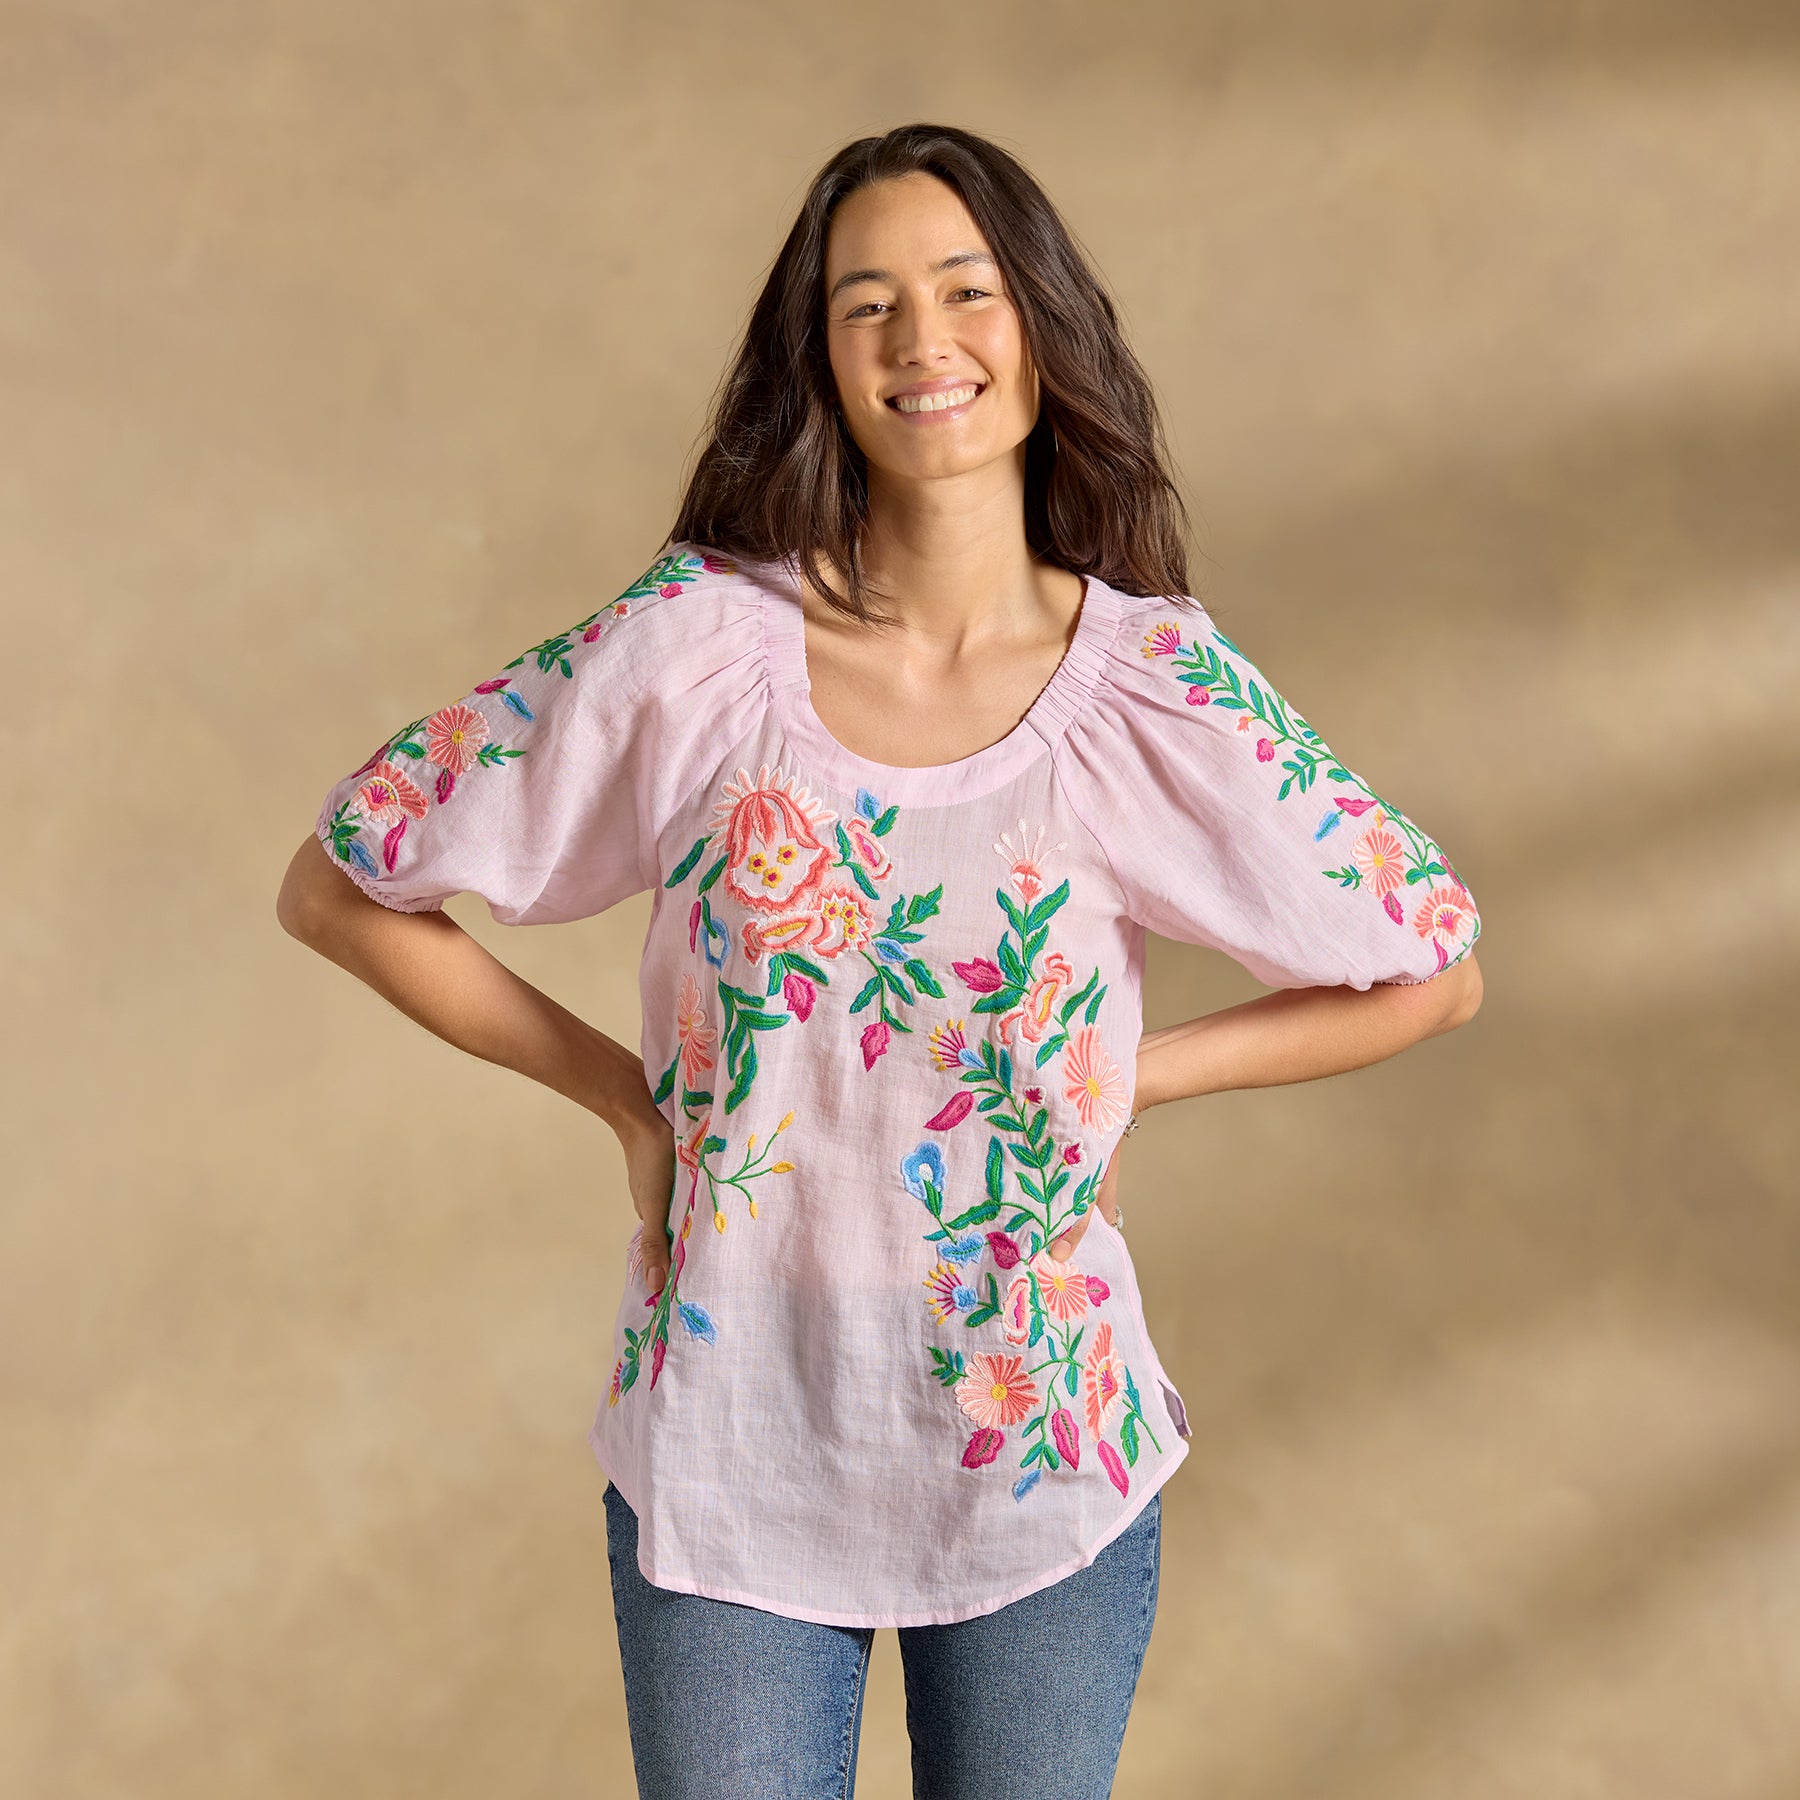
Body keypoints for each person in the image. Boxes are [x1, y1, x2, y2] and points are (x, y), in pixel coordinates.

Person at [277, 123, 1483, 1800]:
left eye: (967, 290)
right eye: (868, 305)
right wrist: (627, 1101)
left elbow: (1431, 965)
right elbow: (342, 885)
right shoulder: (695, 647)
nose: (925, 340)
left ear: (1041, 327)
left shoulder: (1149, 686)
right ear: (822, 361)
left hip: (1040, 1451)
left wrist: (1131, 1078)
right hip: (729, 1435)